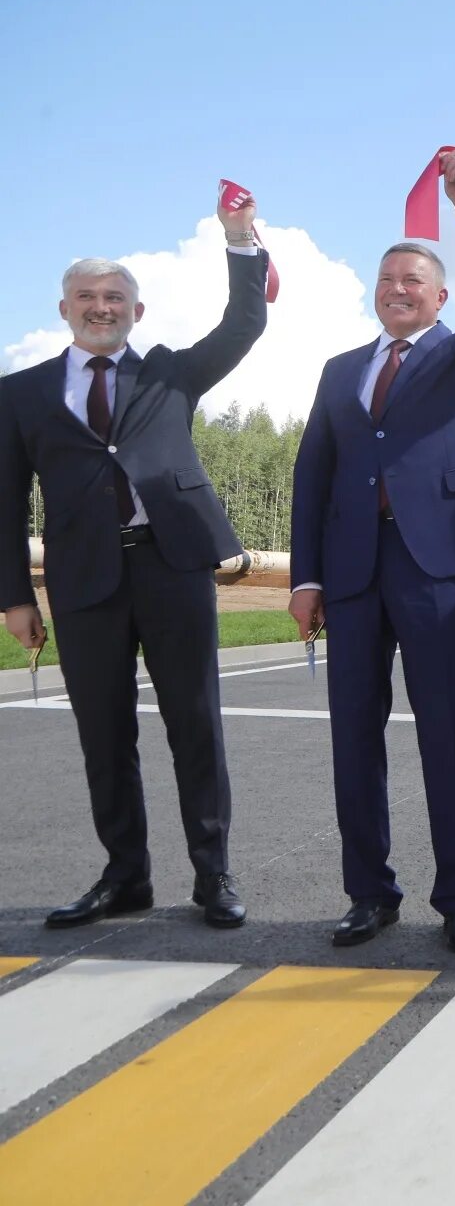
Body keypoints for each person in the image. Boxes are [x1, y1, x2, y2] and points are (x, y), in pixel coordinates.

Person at [0, 192, 269, 930]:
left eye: (114, 297)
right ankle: (126, 877)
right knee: (104, 733)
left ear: (136, 313)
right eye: (86, 297)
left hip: (173, 566)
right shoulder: (19, 395)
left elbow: (244, 322)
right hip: (84, 581)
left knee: (195, 726)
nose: (101, 307)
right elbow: (2, 502)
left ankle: (213, 874)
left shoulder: (170, 375)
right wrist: (14, 596)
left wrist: (240, 239)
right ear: (64, 309)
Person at [288, 151, 455, 955]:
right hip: (351, 573)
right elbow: (312, 474)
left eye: (412, 280)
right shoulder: (339, 371)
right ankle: (368, 893)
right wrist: (306, 575)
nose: (397, 289)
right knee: (352, 733)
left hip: (436, 569)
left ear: (439, 295)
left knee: (444, 732)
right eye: (387, 279)